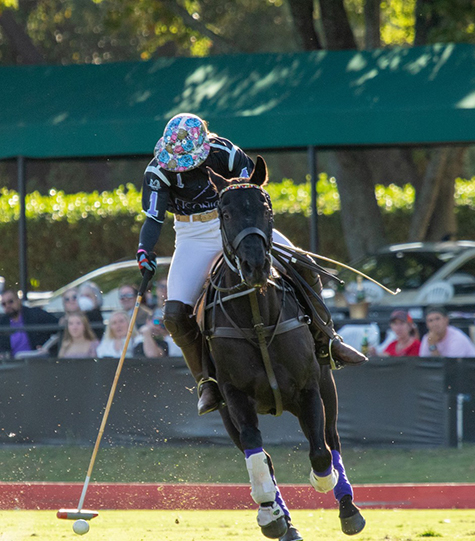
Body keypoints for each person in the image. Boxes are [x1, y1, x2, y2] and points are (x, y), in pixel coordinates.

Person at [135, 113, 365, 415]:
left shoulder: (225, 152)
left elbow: (254, 195)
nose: (182, 164)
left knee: (304, 264)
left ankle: (328, 339)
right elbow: (153, 220)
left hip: (238, 224)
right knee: (175, 314)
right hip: (194, 237)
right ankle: (207, 381)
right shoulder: (157, 170)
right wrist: (144, 251)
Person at [0, 288, 59, 359]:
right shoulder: (1, 324)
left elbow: (58, 327)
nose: (7, 305)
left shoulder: (35, 314)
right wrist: (1, 354)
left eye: (10, 301)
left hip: (36, 362)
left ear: (19, 300)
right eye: (3, 304)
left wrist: (47, 348)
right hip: (13, 364)